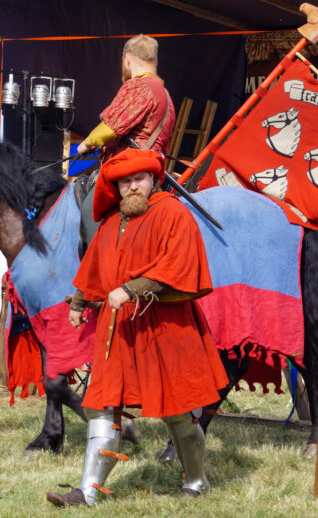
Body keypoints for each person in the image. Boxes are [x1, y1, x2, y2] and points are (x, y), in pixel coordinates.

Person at [46, 149, 227, 507]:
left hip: (167, 327)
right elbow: (95, 266)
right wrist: (80, 302)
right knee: (103, 407)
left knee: (177, 412)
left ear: (154, 180)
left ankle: (196, 481)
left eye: (139, 180)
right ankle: (88, 492)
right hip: (121, 330)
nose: (133, 187)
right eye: (125, 182)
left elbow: (178, 265)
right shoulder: (112, 221)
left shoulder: (173, 213)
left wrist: (130, 289)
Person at [76, 35, 175, 161]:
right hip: (150, 168)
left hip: (129, 167)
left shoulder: (139, 86)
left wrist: (86, 145)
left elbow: (110, 129)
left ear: (127, 59)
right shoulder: (165, 94)